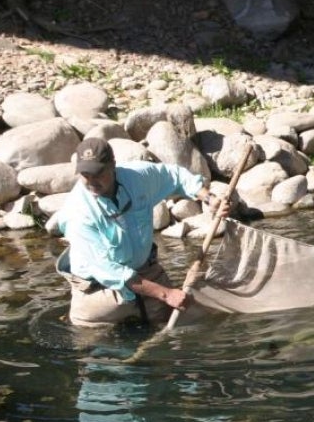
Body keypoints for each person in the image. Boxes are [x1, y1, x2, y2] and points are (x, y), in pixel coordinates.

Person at [56, 137, 222, 327]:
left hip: (146, 272)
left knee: (197, 320)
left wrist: (208, 198)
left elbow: (174, 176)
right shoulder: (76, 214)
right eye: (85, 174)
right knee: (96, 347)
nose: (91, 181)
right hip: (98, 290)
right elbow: (111, 272)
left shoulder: (137, 178)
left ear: (113, 166)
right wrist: (166, 293)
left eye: (98, 173)